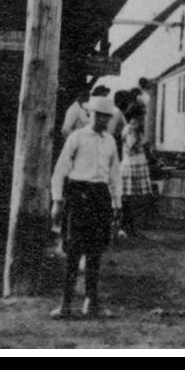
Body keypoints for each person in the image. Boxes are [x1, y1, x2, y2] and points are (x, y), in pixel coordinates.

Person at [50, 95, 123, 319]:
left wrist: (117, 204)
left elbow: (115, 174)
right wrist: (57, 200)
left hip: (99, 197)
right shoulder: (77, 137)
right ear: (90, 114)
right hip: (78, 195)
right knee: (73, 251)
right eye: (99, 115)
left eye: (107, 117)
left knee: (95, 252)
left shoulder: (110, 141)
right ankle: (65, 304)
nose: (103, 120)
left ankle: (91, 303)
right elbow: (61, 170)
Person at [118, 103, 153, 238]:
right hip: (131, 165)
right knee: (128, 198)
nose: (143, 118)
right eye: (141, 115)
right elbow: (131, 146)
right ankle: (125, 227)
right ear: (135, 116)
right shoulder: (130, 129)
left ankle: (131, 227)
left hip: (139, 164)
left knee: (135, 199)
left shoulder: (137, 129)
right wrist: (137, 133)